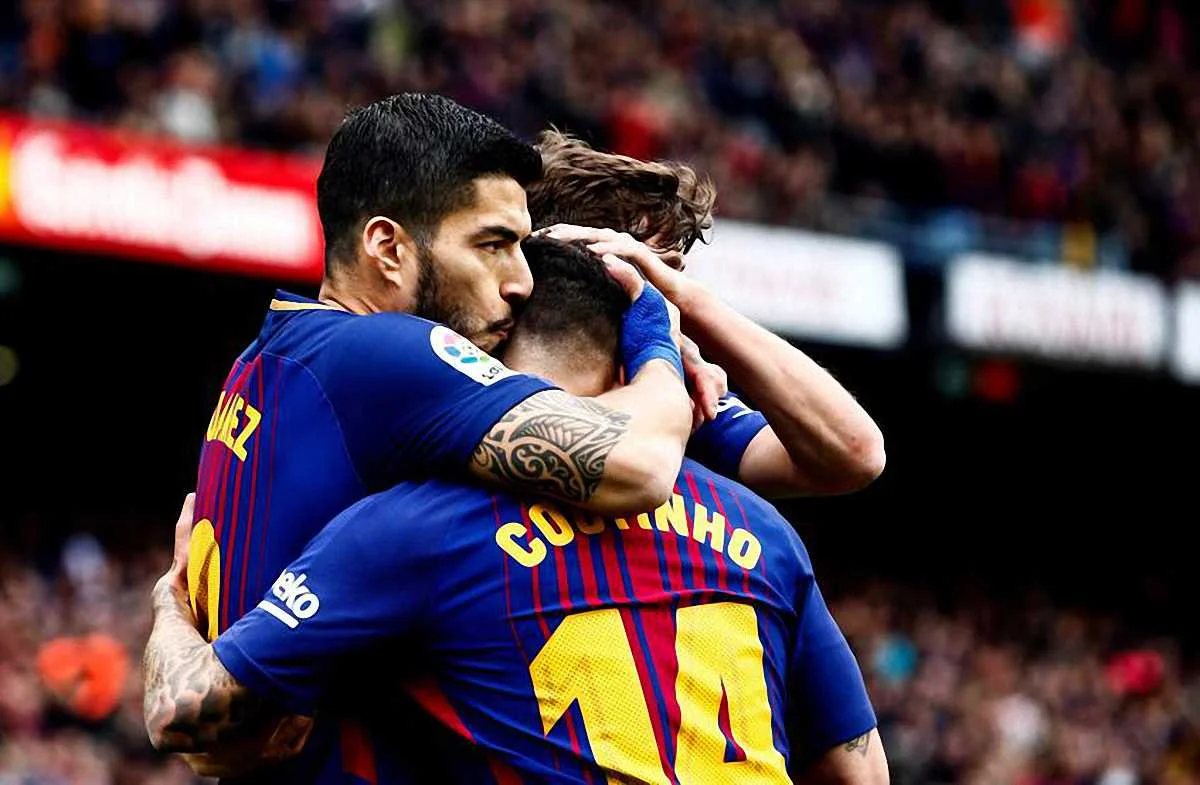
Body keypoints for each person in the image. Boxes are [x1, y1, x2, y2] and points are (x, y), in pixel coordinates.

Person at [146, 237, 890, 785]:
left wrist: (171, 606)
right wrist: (664, 330)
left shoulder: (411, 528)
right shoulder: (764, 532)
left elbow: (199, 719)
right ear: (634, 363)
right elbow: (860, 772)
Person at [184, 92, 695, 647]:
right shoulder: (386, 353)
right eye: (493, 244)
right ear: (388, 248)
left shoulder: (266, 358)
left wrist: (169, 615)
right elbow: (644, 465)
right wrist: (653, 334)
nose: (522, 282)